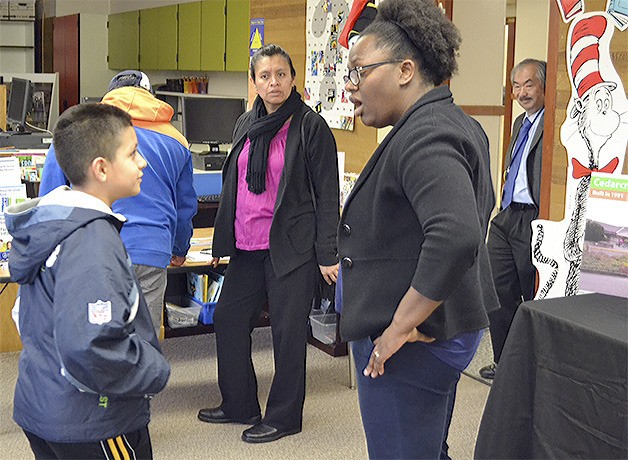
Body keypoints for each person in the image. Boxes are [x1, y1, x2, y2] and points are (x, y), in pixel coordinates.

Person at [337, 0, 499, 457]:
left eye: (361, 71)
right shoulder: (455, 122)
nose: (351, 88)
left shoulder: (425, 136)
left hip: (411, 345)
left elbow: (456, 234)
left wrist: (397, 329)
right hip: (442, 325)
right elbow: (471, 214)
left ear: (405, 69)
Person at [4, 103, 171, 459]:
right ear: (101, 168)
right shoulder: (92, 241)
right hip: (93, 420)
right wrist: (154, 370)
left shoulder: (55, 221)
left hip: (44, 404)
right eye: (133, 153)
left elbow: (23, 317)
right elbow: (91, 346)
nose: (143, 163)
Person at [197, 44, 339, 444]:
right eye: (265, 75)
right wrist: (222, 238)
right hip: (247, 244)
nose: (273, 82)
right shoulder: (246, 122)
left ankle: (284, 416)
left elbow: (328, 194)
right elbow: (234, 184)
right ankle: (239, 404)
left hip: (291, 248)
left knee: (288, 334)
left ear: (293, 79)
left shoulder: (311, 127)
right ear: (255, 81)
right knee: (227, 318)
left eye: (281, 74)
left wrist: (327, 253)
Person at [39, 70, 198, 337]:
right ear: (150, 96)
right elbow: (184, 208)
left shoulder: (79, 133)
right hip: (152, 249)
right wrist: (180, 248)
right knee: (142, 341)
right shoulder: (177, 141)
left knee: (94, 337)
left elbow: (50, 199)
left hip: (90, 249)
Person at [479, 59, 546, 380]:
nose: (521, 92)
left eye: (529, 84)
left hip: (534, 217)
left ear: (545, 86)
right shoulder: (520, 122)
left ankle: (531, 368)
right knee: (497, 290)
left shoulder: (555, 121)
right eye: (516, 86)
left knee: (531, 292)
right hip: (506, 216)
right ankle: (503, 361)